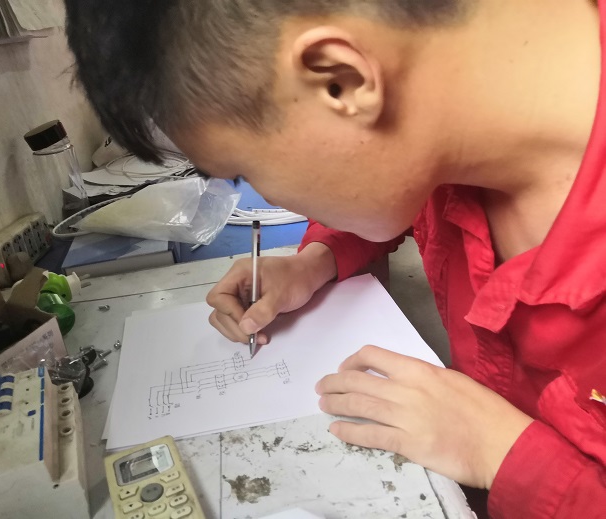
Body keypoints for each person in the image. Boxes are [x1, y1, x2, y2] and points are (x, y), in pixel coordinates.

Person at [64, 1, 606, 517]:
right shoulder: (457, 117)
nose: (264, 196)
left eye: (244, 171)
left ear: (338, 81)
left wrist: (503, 456)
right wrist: (314, 262)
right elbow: (398, 180)